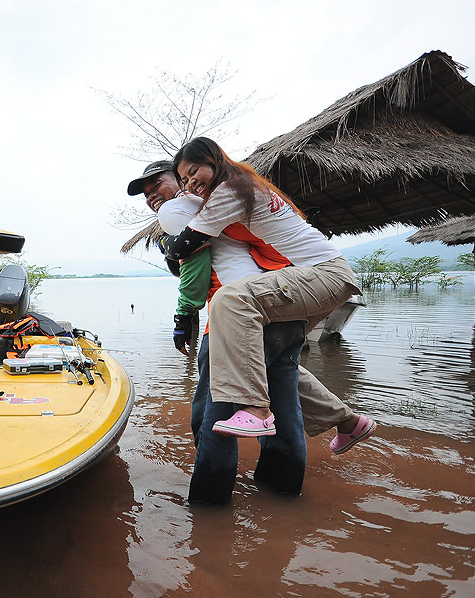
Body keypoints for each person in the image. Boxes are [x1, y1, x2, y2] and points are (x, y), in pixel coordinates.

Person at [127, 161, 375, 452]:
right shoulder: (216, 203)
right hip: (278, 297)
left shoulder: (178, 211)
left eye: (157, 185)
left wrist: (183, 316)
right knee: (282, 384)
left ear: (183, 180)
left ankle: (211, 493)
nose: (151, 196)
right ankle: (343, 425)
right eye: (145, 193)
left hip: (236, 309)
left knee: (209, 414)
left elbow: (195, 272)